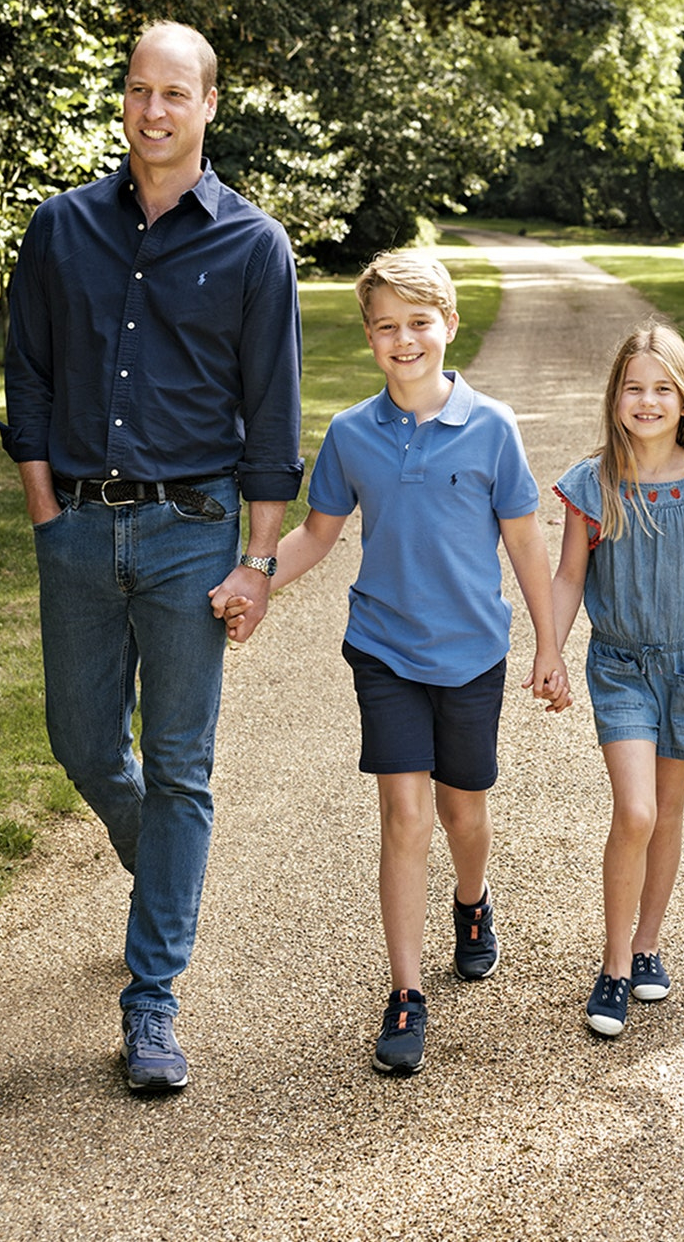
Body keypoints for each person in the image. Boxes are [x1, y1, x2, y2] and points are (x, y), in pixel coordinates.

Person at [0, 22, 303, 1093]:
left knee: (180, 765)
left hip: (190, 536)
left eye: (176, 93)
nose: (154, 111)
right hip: (77, 528)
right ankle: (161, 873)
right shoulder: (61, 229)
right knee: (83, 743)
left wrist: (258, 560)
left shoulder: (255, 246)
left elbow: (272, 419)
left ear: (210, 105)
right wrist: (46, 511)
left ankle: (152, 1004)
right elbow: (26, 379)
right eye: (138, 91)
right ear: (123, 100)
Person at [243, 249, 568, 1076]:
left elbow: (527, 541)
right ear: (369, 337)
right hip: (383, 649)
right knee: (404, 818)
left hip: (470, 655)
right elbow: (319, 533)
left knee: (463, 816)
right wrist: (256, 576)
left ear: (448, 326)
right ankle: (404, 992)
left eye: (418, 322)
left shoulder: (491, 426)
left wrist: (549, 645)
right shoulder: (352, 433)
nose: (403, 339)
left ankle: (471, 902)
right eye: (385, 326)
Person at [551, 325, 684, 1038]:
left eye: (662, 387)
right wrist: (550, 647)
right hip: (621, 667)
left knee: (666, 811)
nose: (647, 400)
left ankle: (647, 943)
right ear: (614, 396)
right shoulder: (592, 481)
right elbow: (569, 574)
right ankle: (610, 965)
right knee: (633, 811)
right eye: (634, 386)